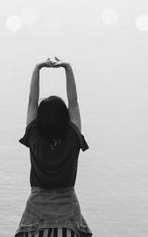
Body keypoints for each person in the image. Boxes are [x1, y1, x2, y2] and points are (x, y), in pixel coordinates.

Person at [14, 57, 93, 237]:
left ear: (40, 120)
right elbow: (73, 103)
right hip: (69, 216)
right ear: (65, 118)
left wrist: (38, 67)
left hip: (36, 214)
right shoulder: (72, 140)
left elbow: (32, 102)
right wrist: (67, 67)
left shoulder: (35, 140)